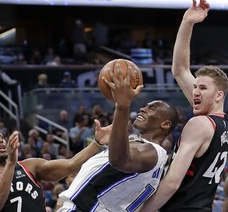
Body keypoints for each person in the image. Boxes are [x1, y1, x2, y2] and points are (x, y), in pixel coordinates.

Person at [141, 0, 228, 212]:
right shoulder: (221, 122)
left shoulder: (200, 124)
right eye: (196, 87)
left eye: (202, 88)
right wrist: (187, 23)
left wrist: (144, 210)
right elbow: (180, 69)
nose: (195, 92)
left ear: (218, 95)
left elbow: (173, 182)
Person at [57, 65, 179, 211]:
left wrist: (122, 106)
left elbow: (119, 160)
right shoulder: (143, 149)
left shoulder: (152, 151)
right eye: (145, 106)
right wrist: (97, 143)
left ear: (165, 124)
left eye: (152, 108)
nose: (142, 109)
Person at [0, 121, 108, 212]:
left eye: (1, 137)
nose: (0, 141)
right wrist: (10, 164)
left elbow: (70, 164)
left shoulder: (30, 166)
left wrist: (97, 143)